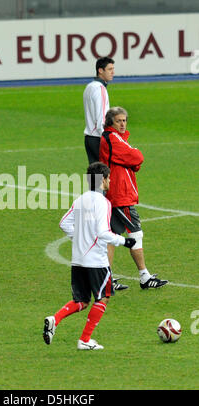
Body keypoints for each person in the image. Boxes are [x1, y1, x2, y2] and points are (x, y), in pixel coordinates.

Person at [43, 162, 136, 350]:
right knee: (103, 297)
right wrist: (123, 241)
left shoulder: (81, 199)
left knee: (82, 301)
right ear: (102, 180)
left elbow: (64, 223)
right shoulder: (103, 202)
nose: (110, 180)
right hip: (96, 260)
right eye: (108, 177)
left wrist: (78, 238)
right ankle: (85, 340)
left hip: (78, 259)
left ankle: (55, 319)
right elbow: (103, 233)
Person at [99, 107, 168, 289]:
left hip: (116, 194)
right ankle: (144, 277)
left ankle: (106, 280)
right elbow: (136, 156)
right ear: (110, 123)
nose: (123, 124)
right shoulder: (112, 138)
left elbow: (133, 161)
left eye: (124, 120)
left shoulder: (115, 138)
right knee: (135, 233)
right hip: (120, 196)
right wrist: (133, 158)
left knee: (111, 237)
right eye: (118, 121)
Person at [84, 56, 115, 165]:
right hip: (98, 138)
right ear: (100, 71)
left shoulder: (89, 87)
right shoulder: (100, 88)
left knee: (95, 175)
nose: (113, 72)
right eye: (110, 69)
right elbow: (101, 116)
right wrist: (106, 137)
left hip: (89, 137)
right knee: (105, 175)